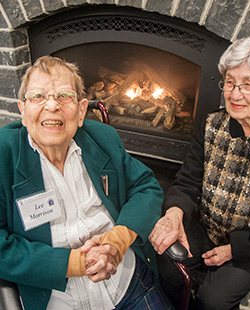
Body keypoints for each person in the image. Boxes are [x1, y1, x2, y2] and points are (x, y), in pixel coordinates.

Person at [149, 34, 250, 309]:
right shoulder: (213, 124)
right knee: (167, 266)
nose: (234, 95)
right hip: (205, 227)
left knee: (213, 300)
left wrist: (236, 249)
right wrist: (174, 214)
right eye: (230, 82)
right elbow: (188, 180)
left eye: (248, 85)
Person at [0, 55, 173, 310]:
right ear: (22, 111)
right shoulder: (5, 153)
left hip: (127, 284)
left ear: (81, 111)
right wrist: (76, 263)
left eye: (64, 96)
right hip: (58, 300)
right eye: (38, 96)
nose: (52, 105)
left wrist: (118, 239)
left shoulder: (102, 138)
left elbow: (146, 185)